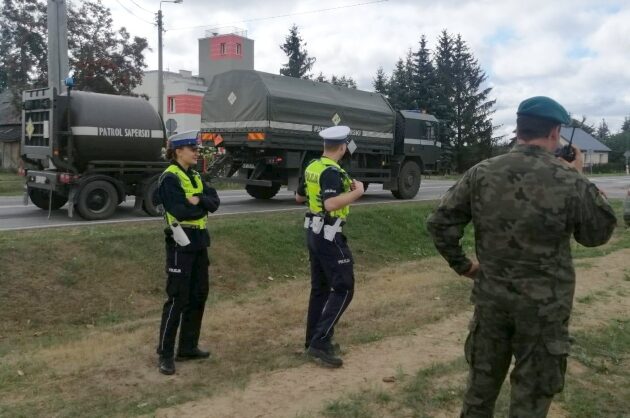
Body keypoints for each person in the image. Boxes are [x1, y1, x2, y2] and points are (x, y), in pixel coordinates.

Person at [426, 96, 617, 417]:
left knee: (479, 396)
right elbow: (596, 236)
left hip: (492, 303)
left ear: (519, 129)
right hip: (544, 311)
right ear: (555, 132)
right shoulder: (569, 180)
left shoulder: (481, 173)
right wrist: (581, 177)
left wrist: (465, 266)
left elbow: (439, 223)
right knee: (530, 403)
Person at [295, 125, 365, 368]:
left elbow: (299, 197)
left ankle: (311, 340)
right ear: (343, 147)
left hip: (313, 232)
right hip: (329, 233)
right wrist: (358, 192)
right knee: (345, 287)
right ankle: (321, 341)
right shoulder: (332, 172)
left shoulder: (312, 167)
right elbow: (332, 203)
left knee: (320, 289)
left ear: (325, 146)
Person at [155, 133, 220, 375]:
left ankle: (188, 347)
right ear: (178, 152)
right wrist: (199, 205)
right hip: (179, 242)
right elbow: (180, 211)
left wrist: (199, 200)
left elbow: (215, 201)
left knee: (198, 294)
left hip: (199, 241)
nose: (196, 152)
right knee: (177, 297)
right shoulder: (170, 178)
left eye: (196, 148)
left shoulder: (195, 175)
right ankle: (165, 353)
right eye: (192, 148)